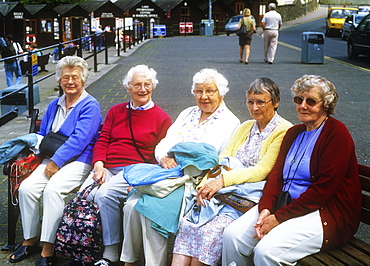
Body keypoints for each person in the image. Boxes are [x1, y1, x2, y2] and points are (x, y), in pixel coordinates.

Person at [222, 74, 362, 265]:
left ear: (325, 105)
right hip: (286, 205)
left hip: (324, 213)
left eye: (311, 101)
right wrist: (265, 209)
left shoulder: (337, 134)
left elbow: (323, 191)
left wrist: (278, 218)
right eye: (299, 99)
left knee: (266, 251)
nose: (303, 105)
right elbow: (276, 178)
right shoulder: (293, 133)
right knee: (232, 237)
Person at [120, 68, 241, 266]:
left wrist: (182, 159)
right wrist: (165, 158)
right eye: (199, 91)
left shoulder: (231, 122)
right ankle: (129, 261)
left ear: (221, 93)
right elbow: (163, 144)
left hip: (193, 183)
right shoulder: (187, 113)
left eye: (210, 91)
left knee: (150, 211)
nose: (204, 96)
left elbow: (215, 162)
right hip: (165, 175)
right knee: (131, 206)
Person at [171, 77, 292, 266]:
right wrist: (204, 185)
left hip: (250, 197)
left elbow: (263, 170)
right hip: (226, 193)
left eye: (261, 102)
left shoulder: (283, 130)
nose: (255, 108)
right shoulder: (246, 126)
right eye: (250, 102)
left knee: (210, 231)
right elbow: (222, 160)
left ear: (276, 102)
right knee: (189, 224)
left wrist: (222, 181)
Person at [8, 56, 102, 266]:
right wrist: (38, 157)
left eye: (75, 77)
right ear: (59, 79)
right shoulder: (54, 104)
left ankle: (49, 247)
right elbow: (43, 134)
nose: (70, 81)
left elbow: (80, 140)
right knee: (27, 189)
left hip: (80, 160)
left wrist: (56, 162)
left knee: (53, 191)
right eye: (65, 77)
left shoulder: (90, 105)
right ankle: (30, 239)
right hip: (52, 158)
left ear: (83, 80)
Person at [75, 65, 172, 266]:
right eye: (137, 84)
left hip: (133, 171)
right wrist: (99, 164)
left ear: (153, 86)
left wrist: (141, 180)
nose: (143, 89)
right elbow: (103, 140)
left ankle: (110, 252)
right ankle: (84, 247)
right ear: (128, 87)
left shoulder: (162, 118)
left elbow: (161, 155)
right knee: (84, 195)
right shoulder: (115, 111)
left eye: (147, 84)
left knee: (104, 194)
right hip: (107, 167)